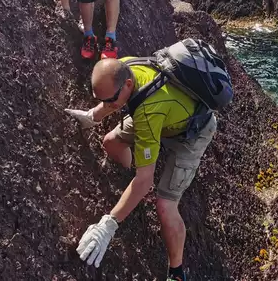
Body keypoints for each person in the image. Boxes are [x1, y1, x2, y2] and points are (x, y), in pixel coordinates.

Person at [64, 57, 218, 281]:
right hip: (163, 114)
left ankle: (176, 272)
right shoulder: (126, 66)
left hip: (192, 132)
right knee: (111, 143)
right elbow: (111, 99)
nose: (107, 106)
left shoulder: (148, 112)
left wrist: (108, 225)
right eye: (101, 101)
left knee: (165, 205)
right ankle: (130, 187)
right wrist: (93, 117)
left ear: (127, 85)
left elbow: (146, 180)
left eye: (111, 101)